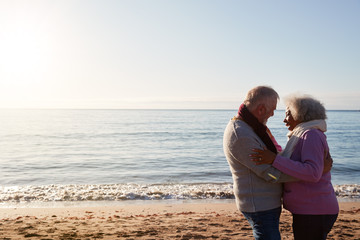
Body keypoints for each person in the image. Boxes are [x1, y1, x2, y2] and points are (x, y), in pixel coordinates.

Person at [251, 95, 339, 240]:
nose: (284, 119)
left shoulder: (311, 135)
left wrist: (274, 159)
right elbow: (292, 160)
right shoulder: (302, 134)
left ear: (301, 114)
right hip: (311, 210)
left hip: (315, 211)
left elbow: (312, 172)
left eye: (288, 114)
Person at [223, 86, 297, 240]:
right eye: (273, 110)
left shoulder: (251, 127)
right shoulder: (241, 134)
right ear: (261, 109)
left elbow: (274, 158)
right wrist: (308, 173)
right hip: (260, 205)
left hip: (265, 203)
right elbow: (269, 173)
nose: (273, 114)